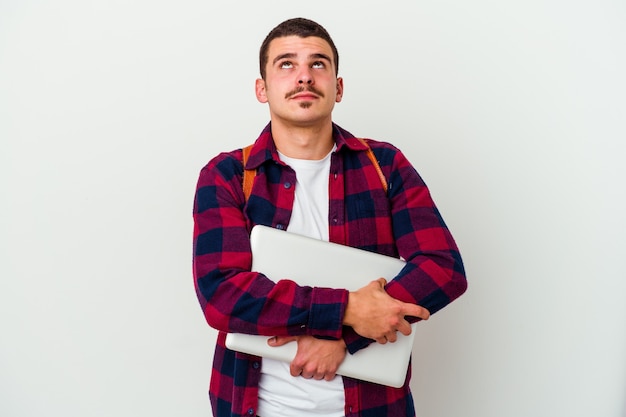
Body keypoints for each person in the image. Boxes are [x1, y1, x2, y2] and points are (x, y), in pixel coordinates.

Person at [193, 17, 467, 417]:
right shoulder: (227, 175)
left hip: (373, 407)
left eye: (318, 64)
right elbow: (222, 296)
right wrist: (347, 309)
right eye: (286, 64)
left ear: (338, 87)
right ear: (262, 88)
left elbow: (443, 269)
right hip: (256, 405)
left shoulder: (385, 165)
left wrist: (344, 336)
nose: (304, 76)